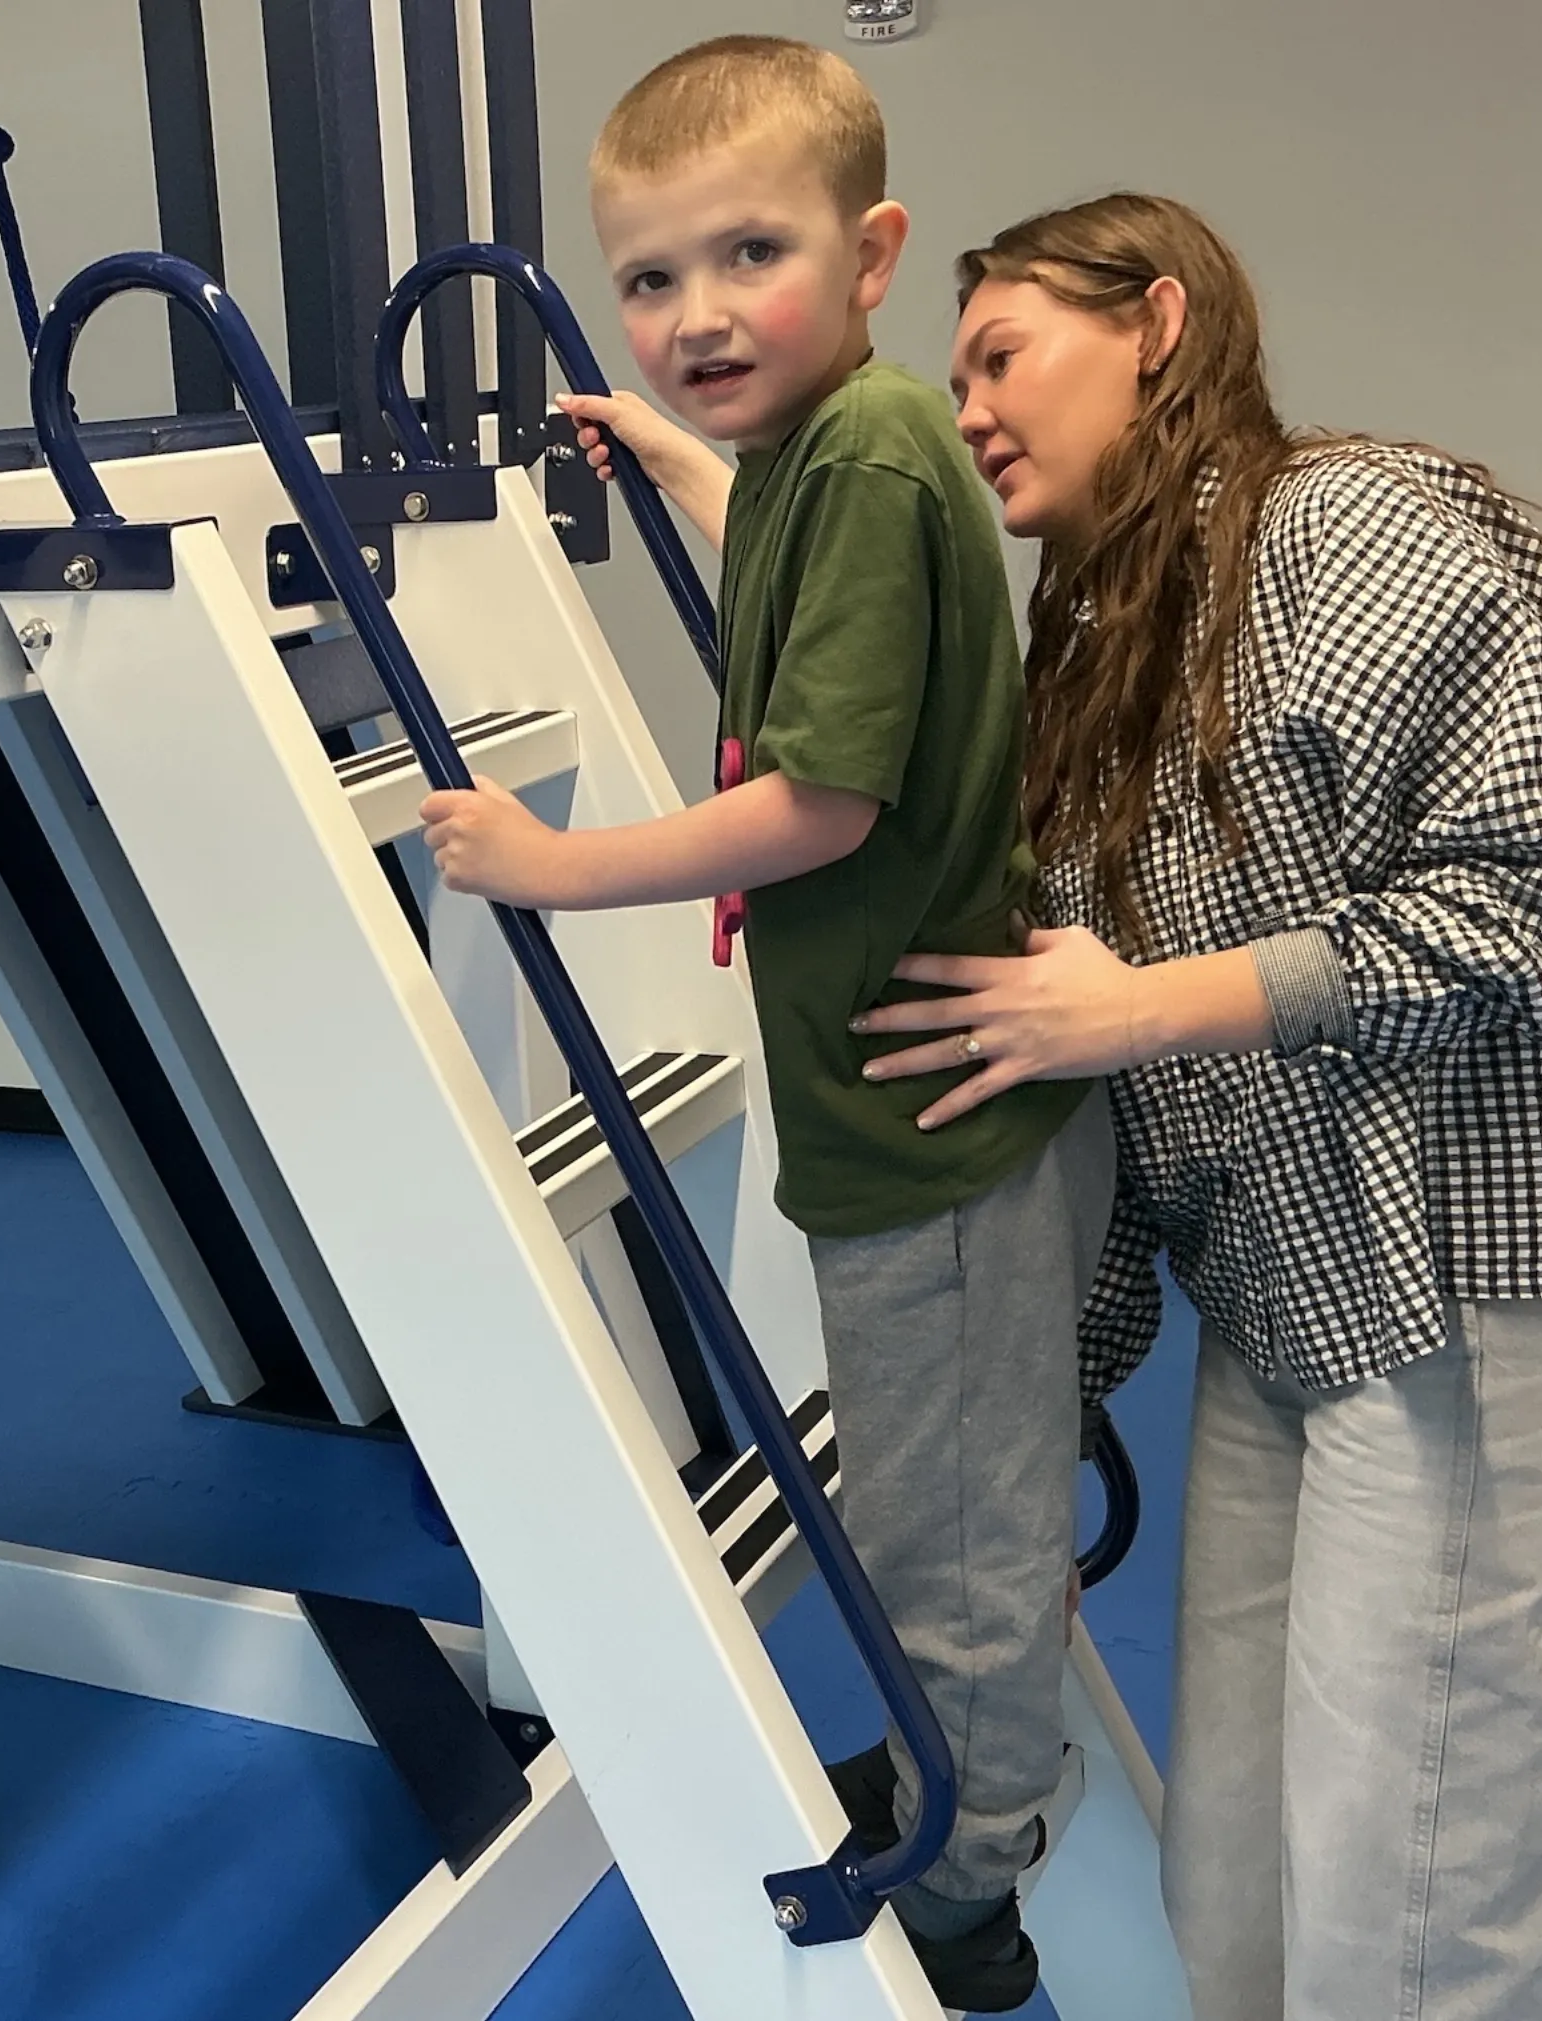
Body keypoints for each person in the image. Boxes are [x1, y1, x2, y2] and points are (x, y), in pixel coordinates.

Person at [848, 191, 1542, 2019]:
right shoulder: (1098, 653)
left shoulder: (1340, 520)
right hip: (1282, 1315)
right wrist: (1038, 1444)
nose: (969, 409)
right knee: (1232, 1894)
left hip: (1466, 1294)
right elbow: (1119, 1112)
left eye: (1000, 356)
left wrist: (1139, 1002)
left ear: (1154, 325)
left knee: (1422, 1919)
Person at [419, 37, 1102, 2010]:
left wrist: (558, 866)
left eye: (750, 255)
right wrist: (681, 464)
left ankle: (971, 1878)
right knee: (921, 1500)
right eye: (649, 277)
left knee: (948, 1530)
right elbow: (807, 595)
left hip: (928, 1130)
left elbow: (821, 802)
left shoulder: (872, 455)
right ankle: (951, 1776)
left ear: (870, 253)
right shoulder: (830, 446)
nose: (696, 314)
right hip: (895, 1109)